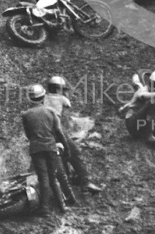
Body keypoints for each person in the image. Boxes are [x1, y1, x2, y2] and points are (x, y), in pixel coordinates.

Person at [44, 77, 102, 194]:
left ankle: (67, 180)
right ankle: (85, 182)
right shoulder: (62, 99)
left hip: (43, 131)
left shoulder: (43, 98)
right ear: (59, 89)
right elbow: (68, 105)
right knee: (74, 153)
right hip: (56, 129)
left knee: (60, 154)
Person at [21, 84, 72, 217]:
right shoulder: (51, 112)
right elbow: (59, 133)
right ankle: (62, 206)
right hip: (50, 147)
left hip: (36, 148)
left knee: (43, 178)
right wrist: (66, 149)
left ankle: (45, 208)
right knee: (52, 177)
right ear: (43, 97)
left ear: (30, 99)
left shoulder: (26, 114)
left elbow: (28, 134)